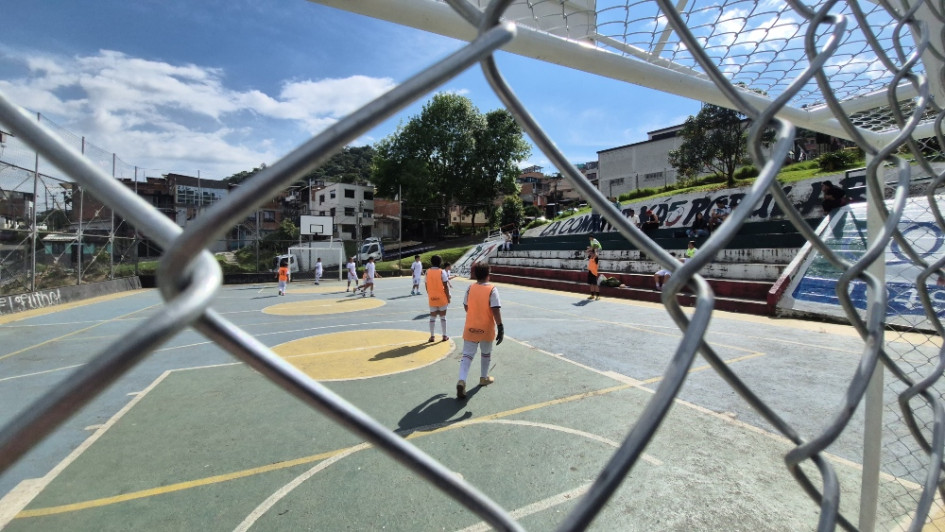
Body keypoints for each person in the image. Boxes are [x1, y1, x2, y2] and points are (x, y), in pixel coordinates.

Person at [456, 262, 503, 400]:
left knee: (467, 355)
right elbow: (495, 309)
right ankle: (483, 378)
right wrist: (500, 326)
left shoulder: (470, 288)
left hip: (470, 326)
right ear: (488, 275)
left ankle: (462, 380)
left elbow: (465, 305)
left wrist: (473, 314)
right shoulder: (492, 289)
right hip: (486, 327)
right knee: (486, 354)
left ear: (475, 274)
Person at [425, 254, 451, 343]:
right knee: (443, 317)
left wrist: (429, 293)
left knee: (432, 317)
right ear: (440, 262)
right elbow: (445, 286)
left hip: (432, 297)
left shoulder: (427, 272)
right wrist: (448, 297)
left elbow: (426, 284)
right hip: (442, 297)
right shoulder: (441, 272)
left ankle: (432, 336)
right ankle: (444, 335)